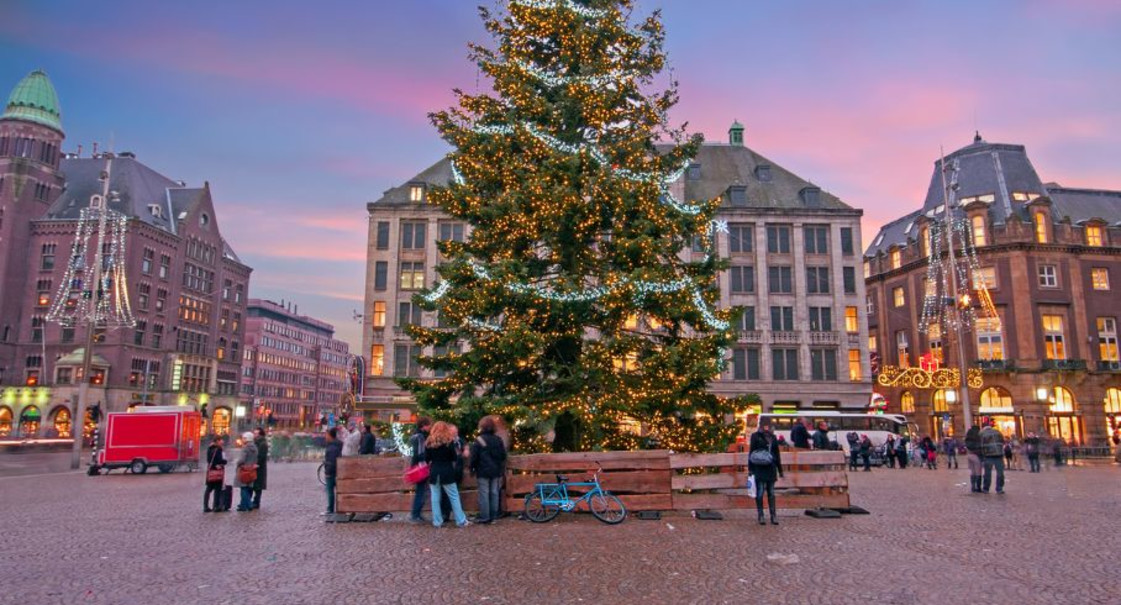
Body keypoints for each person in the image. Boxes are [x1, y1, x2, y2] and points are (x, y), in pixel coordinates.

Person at [424, 421, 470, 528]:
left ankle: (437, 521)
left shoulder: (429, 442)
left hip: (434, 472)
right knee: (454, 496)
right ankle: (461, 520)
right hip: (447, 471)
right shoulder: (449, 442)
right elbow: (454, 457)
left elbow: (426, 459)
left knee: (435, 498)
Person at [469, 416, 508, 524]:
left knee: (484, 493)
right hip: (496, 470)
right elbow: (503, 455)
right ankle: (494, 515)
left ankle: (485, 516)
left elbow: (474, 457)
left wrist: (472, 467)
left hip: (483, 470)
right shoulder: (498, 439)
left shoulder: (479, 440)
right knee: (494, 492)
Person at [748, 420, 784, 525]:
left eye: (768, 425)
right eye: (765, 425)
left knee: (771, 493)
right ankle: (761, 515)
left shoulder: (773, 437)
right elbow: (751, 453)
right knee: (759, 492)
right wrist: (751, 469)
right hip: (759, 468)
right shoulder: (755, 436)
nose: (766, 427)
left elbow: (777, 454)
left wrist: (780, 469)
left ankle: (773, 515)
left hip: (771, 468)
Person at [407, 417, 433, 523]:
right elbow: (420, 453)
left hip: (417, 466)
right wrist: (425, 464)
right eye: (428, 425)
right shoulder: (420, 437)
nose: (430, 427)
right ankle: (415, 514)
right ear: (424, 425)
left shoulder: (415, 435)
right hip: (421, 467)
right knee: (421, 491)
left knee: (421, 491)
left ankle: (416, 513)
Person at [234, 431, 259, 512]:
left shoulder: (245, 448)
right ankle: (243, 506)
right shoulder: (255, 448)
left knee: (243, 488)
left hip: (244, 470)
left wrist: (237, 463)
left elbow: (242, 459)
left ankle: (248, 504)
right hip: (251, 470)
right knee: (248, 487)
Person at [979, 419, 1006, 494]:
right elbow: (1002, 442)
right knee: (1000, 473)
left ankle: (986, 488)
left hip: (988, 455)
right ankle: (999, 488)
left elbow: (980, 445)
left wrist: (981, 455)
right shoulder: (998, 432)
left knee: (987, 473)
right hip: (999, 454)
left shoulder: (982, 433)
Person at [203, 437, 226, 512]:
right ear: (218, 441)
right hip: (217, 472)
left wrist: (213, 465)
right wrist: (224, 462)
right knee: (217, 489)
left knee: (208, 489)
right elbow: (220, 460)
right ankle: (215, 506)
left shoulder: (210, 448)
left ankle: (205, 506)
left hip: (210, 471)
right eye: (221, 440)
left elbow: (209, 460)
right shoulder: (218, 449)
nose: (222, 441)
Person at [323, 427, 343, 514]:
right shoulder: (336, 445)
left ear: (330, 436)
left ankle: (330, 509)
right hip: (337, 471)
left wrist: (328, 471)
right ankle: (339, 509)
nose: (325, 437)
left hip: (331, 473)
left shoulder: (332, 447)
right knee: (338, 491)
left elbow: (331, 461)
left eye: (326, 435)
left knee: (330, 491)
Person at [252, 428, 268, 510]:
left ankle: (256, 502)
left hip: (259, 468)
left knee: (258, 486)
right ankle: (252, 501)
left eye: (256, 433)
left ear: (260, 434)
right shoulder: (255, 442)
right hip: (254, 466)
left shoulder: (262, 444)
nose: (254, 435)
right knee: (253, 485)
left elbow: (262, 456)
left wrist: (257, 464)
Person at [964, 424, 983, 492]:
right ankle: (978, 487)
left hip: (969, 455)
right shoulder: (977, 436)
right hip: (976, 455)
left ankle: (973, 487)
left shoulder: (968, 437)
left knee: (972, 471)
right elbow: (979, 447)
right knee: (978, 472)